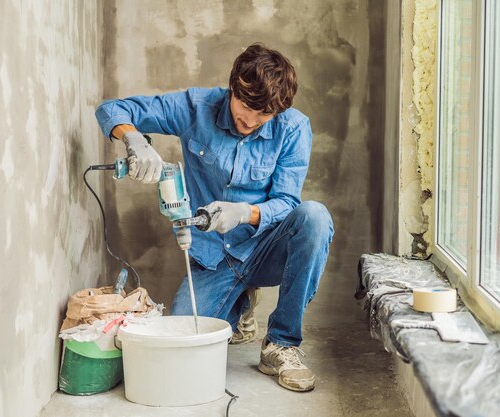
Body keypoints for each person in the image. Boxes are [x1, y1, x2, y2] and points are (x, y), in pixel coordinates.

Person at [95, 43, 334, 392]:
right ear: (233, 87)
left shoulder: (294, 128)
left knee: (315, 216)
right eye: (246, 107)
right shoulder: (197, 107)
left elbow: (286, 202)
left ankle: (281, 344)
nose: (250, 122)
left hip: (264, 249)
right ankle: (239, 303)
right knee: (179, 348)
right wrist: (133, 139)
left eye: (263, 116)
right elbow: (111, 108)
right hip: (212, 259)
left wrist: (244, 214)